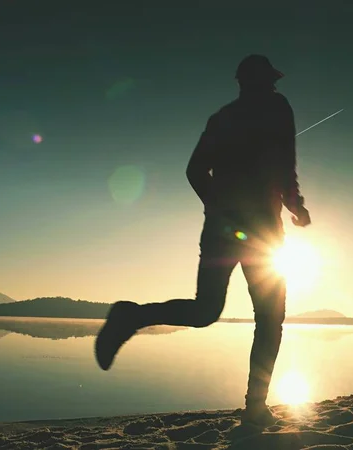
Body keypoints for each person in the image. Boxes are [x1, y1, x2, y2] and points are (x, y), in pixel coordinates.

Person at [95, 54, 311, 428]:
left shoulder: (222, 118)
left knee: (207, 311)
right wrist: (294, 206)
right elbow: (283, 165)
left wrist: (224, 210)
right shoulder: (277, 109)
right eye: (266, 81)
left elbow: (196, 170)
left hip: (225, 231)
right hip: (259, 232)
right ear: (261, 82)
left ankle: (133, 316)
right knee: (268, 319)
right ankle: (255, 408)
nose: (269, 88)